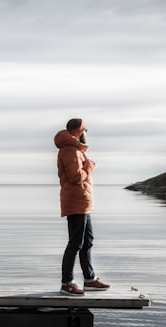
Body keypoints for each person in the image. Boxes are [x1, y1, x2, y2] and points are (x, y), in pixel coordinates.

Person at [54, 118, 110, 296]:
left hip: (83, 202)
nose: (86, 133)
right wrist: (90, 166)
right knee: (75, 244)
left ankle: (90, 280)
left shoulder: (75, 150)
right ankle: (67, 283)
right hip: (75, 202)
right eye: (85, 130)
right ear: (79, 130)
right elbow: (76, 177)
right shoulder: (70, 150)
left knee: (87, 241)